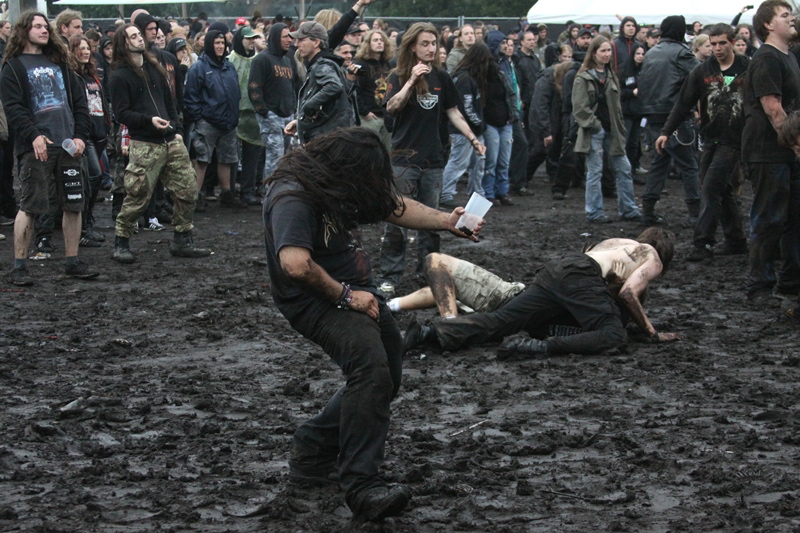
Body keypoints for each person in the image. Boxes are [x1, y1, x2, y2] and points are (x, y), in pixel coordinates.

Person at [263, 127, 481, 521]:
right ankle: (363, 486)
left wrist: (447, 222)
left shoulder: (334, 183)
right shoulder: (292, 196)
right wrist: (346, 297)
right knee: (371, 371)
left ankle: (313, 448)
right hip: (317, 299)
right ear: (345, 171)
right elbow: (295, 265)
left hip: (355, 290)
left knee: (389, 373)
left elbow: (393, 205)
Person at [405, 227, 681, 357]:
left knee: (503, 320)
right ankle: (540, 347)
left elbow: (591, 267)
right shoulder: (652, 257)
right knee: (613, 335)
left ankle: (432, 331)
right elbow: (628, 294)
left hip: (559, 269)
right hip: (582, 274)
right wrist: (651, 332)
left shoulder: (616, 241)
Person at [377, 22, 485, 296]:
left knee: (434, 221)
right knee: (397, 220)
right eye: (424, 44)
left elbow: (454, 112)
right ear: (413, 46)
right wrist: (412, 80)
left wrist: (473, 139)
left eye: (434, 43)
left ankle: (429, 272)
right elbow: (391, 108)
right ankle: (390, 275)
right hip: (403, 159)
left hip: (434, 160)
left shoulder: (442, 77)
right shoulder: (398, 75)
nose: (430, 48)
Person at [0, 11, 99, 285]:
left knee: (74, 204)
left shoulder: (60, 63)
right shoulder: (13, 66)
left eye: (46, 26)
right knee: (30, 205)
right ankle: (19, 266)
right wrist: (34, 136)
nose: (45, 30)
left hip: (67, 145)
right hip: (36, 147)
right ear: (24, 30)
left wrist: (80, 136)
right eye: (38, 26)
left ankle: (72, 260)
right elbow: (14, 109)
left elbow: (80, 103)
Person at [109, 24, 210, 263]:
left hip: (170, 141)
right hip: (144, 143)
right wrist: (149, 121)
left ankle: (182, 238)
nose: (139, 39)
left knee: (187, 189)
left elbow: (171, 101)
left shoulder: (155, 68)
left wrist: (174, 129)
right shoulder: (119, 76)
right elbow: (121, 114)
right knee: (137, 196)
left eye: (138, 35)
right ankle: (121, 241)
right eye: (133, 36)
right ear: (124, 44)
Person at [657, 23, 749, 262]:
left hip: (736, 140)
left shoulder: (747, 68)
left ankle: (703, 243)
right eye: (713, 44)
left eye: (722, 43)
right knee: (722, 190)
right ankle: (736, 239)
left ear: (732, 42)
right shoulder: (701, 71)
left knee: (710, 187)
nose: (717, 48)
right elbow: (683, 103)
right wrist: (666, 131)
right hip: (710, 138)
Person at [740, 0, 800, 302]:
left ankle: (790, 282)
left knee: (794, 219)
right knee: (769, 219)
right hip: (767, 152)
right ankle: (759, 286)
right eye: (785, 15)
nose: (792, 19)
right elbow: (773, 109)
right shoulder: (766, 58)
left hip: (786, 153)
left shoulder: (789, 56)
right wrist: (796, 145)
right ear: (767, 25)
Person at [637, 15, 701, 225]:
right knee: (689, 164)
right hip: (675, 116)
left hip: (652, 114)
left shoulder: (651, 53)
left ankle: (647, 210)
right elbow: (702, 76)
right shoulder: (682, 53)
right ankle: (695, 211)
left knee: (659, 162)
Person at [572, 36, 641, 223]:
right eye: (602, 51)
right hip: (595, 131)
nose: (607, 54)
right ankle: (594, 211)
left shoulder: (611, 75)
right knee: (595, 172)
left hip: (613, 130)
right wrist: (595, 126)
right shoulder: (583, 78)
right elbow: (579, 108)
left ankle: (628, 208)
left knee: (624, 168)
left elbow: (616, 105)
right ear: (593, 53)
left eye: (609, 50)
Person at [184, 29, 243, 208]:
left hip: (228, 122)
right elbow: (190, 96)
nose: (220, 46)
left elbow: (236, 92)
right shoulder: (198, 68)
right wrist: (200, 118)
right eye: (217, 43)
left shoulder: (229, 65)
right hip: (207, 122)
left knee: (227, 159)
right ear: (209, 44)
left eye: (222, 43)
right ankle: (195, 197)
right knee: (202, 159)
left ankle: (226, 193)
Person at [388, 253, 524, 317]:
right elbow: (442, 291)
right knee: (446, 290)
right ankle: (391, 305)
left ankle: (451, 324)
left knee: (437, 261)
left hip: (513, 300)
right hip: (524, 307)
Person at [284, 22, 355, 144]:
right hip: (330, 138)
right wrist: (300, 121)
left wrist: (308, 107)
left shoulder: (322, 66)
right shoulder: (321, 65)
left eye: (301, 40)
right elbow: (328, 108)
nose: (296, 44)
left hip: (328, 141)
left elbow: (334, 86)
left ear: (316, 43)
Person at [69, 34, 109, 247]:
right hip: (86, 135)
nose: (85, 52)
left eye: (87, 48)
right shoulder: (72, 76)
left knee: (95, 176)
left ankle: (88, 221)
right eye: (80, 48)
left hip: (100, 131)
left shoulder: (92, 74)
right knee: (94, 175)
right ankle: (84, 225)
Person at [439, 43, 489, 207]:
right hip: (464, 130)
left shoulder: (461, 76)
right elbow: (466, 107)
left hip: (466, 129)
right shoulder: (465, 79)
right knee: (459, 163)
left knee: (475, 163)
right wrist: (479, 124)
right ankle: (446, 194)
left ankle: (476, 193)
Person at [249, 23, 296, 184]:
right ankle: (269, 193)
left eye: (290, 36)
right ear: (276, 38)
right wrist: (264, 112)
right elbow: (254, 89)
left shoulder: (287, 59)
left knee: (288, 157)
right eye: (285, 36)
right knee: (275, 158)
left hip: (288, 115)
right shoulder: (262, 59)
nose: (289, 40)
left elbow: (291, 86)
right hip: (271, 116)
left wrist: (293, 109)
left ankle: (283, 191)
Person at [228, 26, 263, 206]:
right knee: (232, 157)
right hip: (234, 114)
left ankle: (247, 191)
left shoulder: (258, 60)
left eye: (253, 38)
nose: (251, 41)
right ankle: (230, 192)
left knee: (252, 156)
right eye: (248, 38)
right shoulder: (230, 60)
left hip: (253, 115)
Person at [352, 29, 394, 150]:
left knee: (387, 153)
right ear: (368, 43)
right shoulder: (361, 64)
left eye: (381, 40)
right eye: (375, 40)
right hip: (370, 117)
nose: (379, 43)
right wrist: (365, 112)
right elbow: (356, 91)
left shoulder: (387, 64)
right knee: (369, 152)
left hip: (386, 116)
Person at [619, 42, 646, 177]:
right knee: (626, 140)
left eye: (642, 54)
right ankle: (623, 169)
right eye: (638, 54)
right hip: (627, 112)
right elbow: (619, 92)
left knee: (635, 142)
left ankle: (633, 168)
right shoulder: (624, 70)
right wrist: (632, 93)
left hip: (640, 113)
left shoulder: (645, 70)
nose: (640, 56)